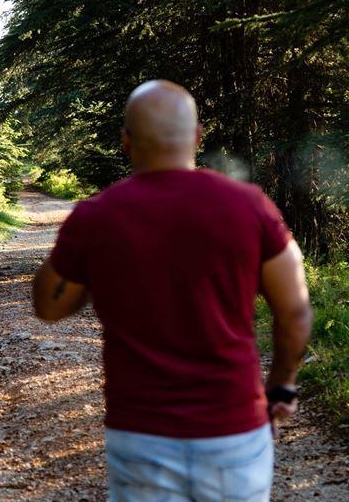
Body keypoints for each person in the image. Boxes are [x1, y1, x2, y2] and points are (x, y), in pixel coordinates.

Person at [32, 80, 312, 502]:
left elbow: (50, 307)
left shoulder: (96, 216)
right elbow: (294, 310)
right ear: (198, 136)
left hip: (141, 434)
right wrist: (282, 385)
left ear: (126, 140)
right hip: (233, 429)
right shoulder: (250, 206)